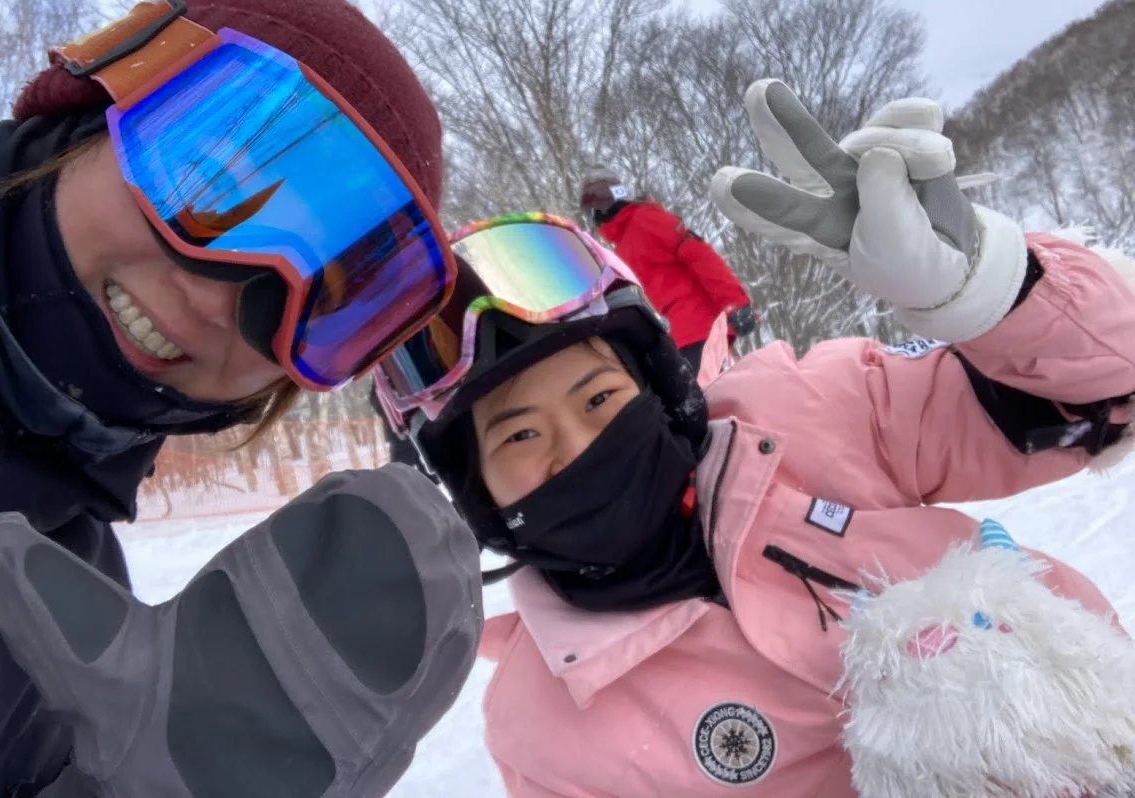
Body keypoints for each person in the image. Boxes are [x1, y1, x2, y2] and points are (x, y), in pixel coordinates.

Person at [373, 83, 1135, 796]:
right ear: (472, 489)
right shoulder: (543, 730)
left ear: (653, 391)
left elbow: (1092, 402)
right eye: (521, 434)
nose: (577, 444)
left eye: (600, 396)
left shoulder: (810, 415)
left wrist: (994, 294)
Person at [0, 0, 480, 796]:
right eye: (202, 184)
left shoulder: (70, 646)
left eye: (305, 302)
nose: (211, 298)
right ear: (84, 118)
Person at [581, 167, 756, 368]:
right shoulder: (621, 245)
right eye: (591, 205)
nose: (598, 210)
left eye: (603, 199)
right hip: (677, 339)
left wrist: (735, 302)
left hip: (699, 329)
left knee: (719, 394)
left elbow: (699, 254)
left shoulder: (645, 219)